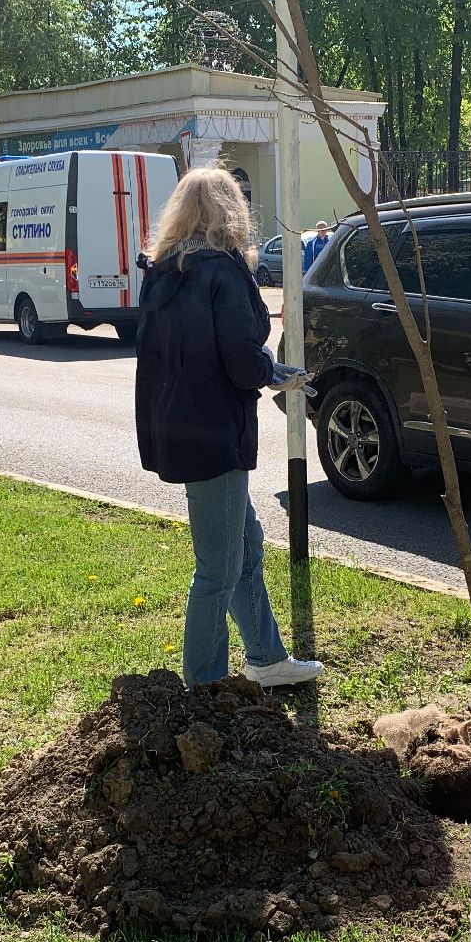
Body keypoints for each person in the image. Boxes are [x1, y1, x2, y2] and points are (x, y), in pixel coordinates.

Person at [134, 168, 322, 690]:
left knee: (246, 547)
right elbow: (241, 360)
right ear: (229, 212)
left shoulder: (165, 270)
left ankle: (265, 657)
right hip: (215, 432)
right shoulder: (222, 270)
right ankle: (206, 688)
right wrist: (273, 372)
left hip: (177, 427)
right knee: (218, 569)